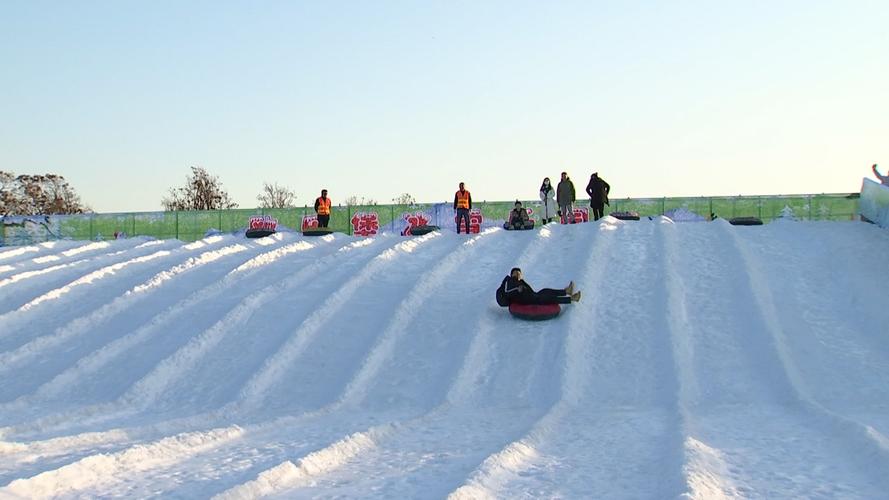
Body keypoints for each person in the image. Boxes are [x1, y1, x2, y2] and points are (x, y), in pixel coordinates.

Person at [499, 267, 580, 305]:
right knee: (548, 298)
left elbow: (530, 290)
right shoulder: (509, 280)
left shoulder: (521, 281)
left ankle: (566, 291)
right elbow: (507, 292)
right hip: (525, 301)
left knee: (546, 290)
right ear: (511, 274)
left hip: (532, 296)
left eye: (519, 272)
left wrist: (523, 284)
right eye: (515, 272)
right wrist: (518, 289)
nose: (517, 273)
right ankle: (572, 299)